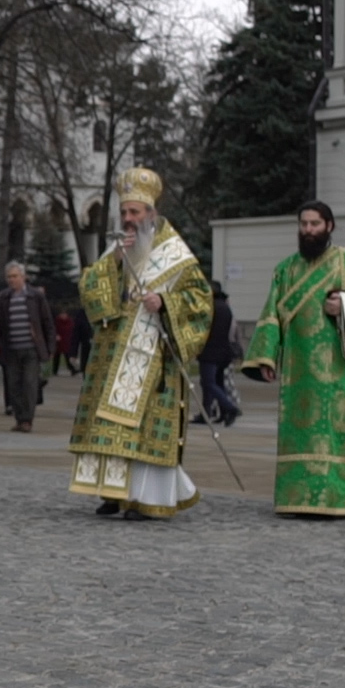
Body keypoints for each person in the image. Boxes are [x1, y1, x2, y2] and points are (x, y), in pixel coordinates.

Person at [67, 167, 212, 519]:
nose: (129, 220)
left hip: (154, 360)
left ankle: (148, 500)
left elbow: (201, 302)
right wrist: (114, 262)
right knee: (111, 427)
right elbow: (89, 289)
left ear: (152, 214)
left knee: (146, 432)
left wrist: (166, 303)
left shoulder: (177, 254)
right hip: (113, 355)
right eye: (125, 212)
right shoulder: (116, 249)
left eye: (135, 213)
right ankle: (115, 492)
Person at [242, 202, 345, 517]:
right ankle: (301, 498)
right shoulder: (285, 270)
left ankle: (338, 499)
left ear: (330, 226)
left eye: (314, 224)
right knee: (301, 436)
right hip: (298, 376)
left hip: (339, 372)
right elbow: (271, 315)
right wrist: (267, 358)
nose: (308, 230)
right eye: (303, 224)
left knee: (337, 435)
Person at [0, 262, 56, 432]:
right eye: (9, 277)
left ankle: (27, 420)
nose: (12, 280)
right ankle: (19, 418)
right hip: (11, 348)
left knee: (30, 383)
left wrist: (50, 347)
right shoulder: (3, 297)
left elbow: (47, 322)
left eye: (15, 276)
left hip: (31, 349)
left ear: (23, 277)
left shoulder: (35, 296)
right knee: (14, 384)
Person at [193, 280, 241, 427]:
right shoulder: (225, 307)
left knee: (208, 383)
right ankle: (213, 413)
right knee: (217, 383)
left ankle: (230, 408)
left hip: (210, 352)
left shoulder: (210, 308)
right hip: (223, 352)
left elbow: (202, 329)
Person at [52, 309, 77, 375]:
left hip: (67, 341)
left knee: (67, 357)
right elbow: (53, 329)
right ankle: (54, 370)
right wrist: (55, 335)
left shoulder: (70, 322)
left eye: (64, 314)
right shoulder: (56, 321)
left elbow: (72, 331)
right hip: (58, 342)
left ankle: (72, 370)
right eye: (62, 314)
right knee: (56, 357)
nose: (63, 316)